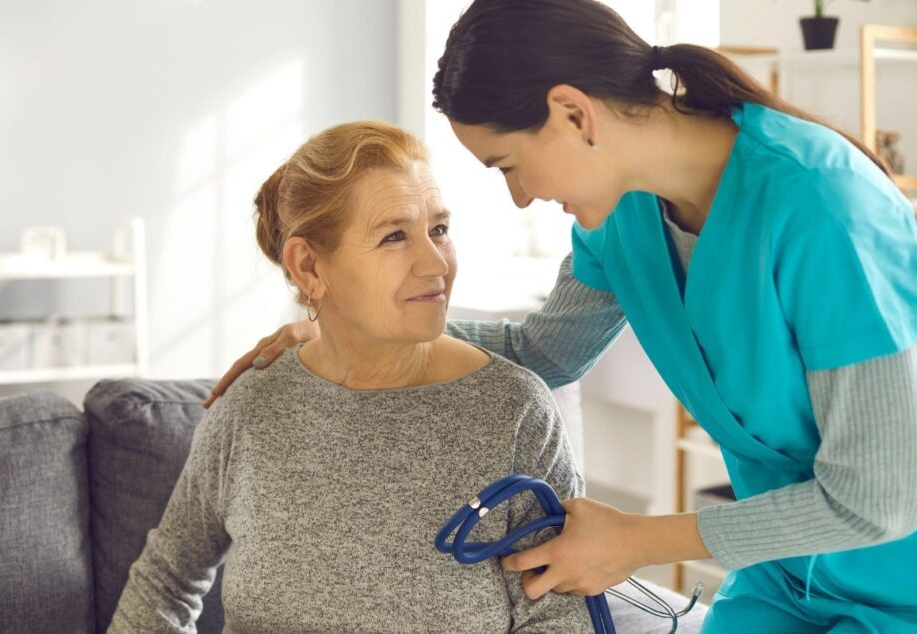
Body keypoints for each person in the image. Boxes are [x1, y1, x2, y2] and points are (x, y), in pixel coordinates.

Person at [202, 1, 917, 631]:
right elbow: (540, 350)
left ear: (575, 114)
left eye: (507, 164)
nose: (518, 197)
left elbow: (877, 498)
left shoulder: (826, 210)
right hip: (787, 576)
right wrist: (347, 326)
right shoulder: (619, 222)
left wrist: (634, 541)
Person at [110, 120, 599, 632]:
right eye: (394, 236)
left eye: (438, 229)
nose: (435, 262)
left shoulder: (513, 410)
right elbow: (164, 581)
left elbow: (562, 616)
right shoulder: (253, 408)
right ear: (309, 268)